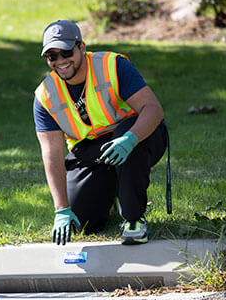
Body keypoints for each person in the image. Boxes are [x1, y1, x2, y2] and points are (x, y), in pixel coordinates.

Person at [33, 20, 168, 246]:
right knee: (83, 222)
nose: (60, 61)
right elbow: (51, 153)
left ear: (82, 48)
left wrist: (130, 138)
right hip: (90, 151)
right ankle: (113, 189)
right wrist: (61, 210)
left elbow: (153, 109)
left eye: (66, 52)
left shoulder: (112, 66)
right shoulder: (45, 95)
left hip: (135, 136)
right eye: (52, 56)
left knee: (127, 142)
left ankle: (134, 219)